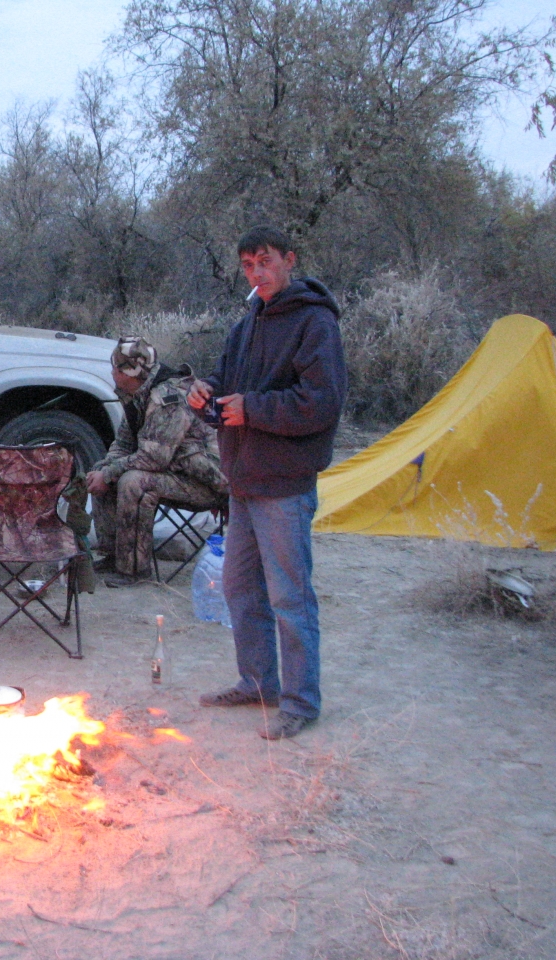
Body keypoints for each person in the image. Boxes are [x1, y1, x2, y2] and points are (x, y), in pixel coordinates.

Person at [188, 226, 347, 740]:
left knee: (290, 597)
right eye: (249, 265)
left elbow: (321, 403)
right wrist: (207, 392)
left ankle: (301, 702)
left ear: (288, 260)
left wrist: (251, 408)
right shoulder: (247, 322)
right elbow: (227, 378)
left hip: (284, 483)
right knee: (239, 588)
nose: (257, 272)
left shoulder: (314, 323)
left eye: (266, 261)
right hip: (245, 479)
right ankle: (257, 683)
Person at [86, 337, 227, 589]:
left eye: (115, 368)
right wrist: (104, 469)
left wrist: (110, 474)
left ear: (128, 372)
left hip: (205, 481)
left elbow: (154, 457)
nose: (112, 373)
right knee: (104, 470)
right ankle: (114, 555)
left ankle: (134, 569)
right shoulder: (137, 394)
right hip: (175, 472)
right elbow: (124, 443)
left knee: (132, 481)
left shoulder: (168, 397)